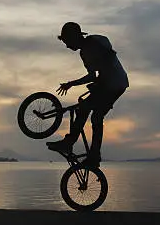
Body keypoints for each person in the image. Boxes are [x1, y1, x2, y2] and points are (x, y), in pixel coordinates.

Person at [46, 22, 129, 168]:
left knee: (94, 115)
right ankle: (82, 149)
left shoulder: (94, 42)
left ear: (74, 37)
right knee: (87, 111)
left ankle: (86, 152)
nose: (66, 46)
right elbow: (92, 75)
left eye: (67, 41)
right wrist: (73, 83)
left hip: (115, 84)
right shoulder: (84, 53)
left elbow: (108, 58)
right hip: (108, 84)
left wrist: (96, 80)